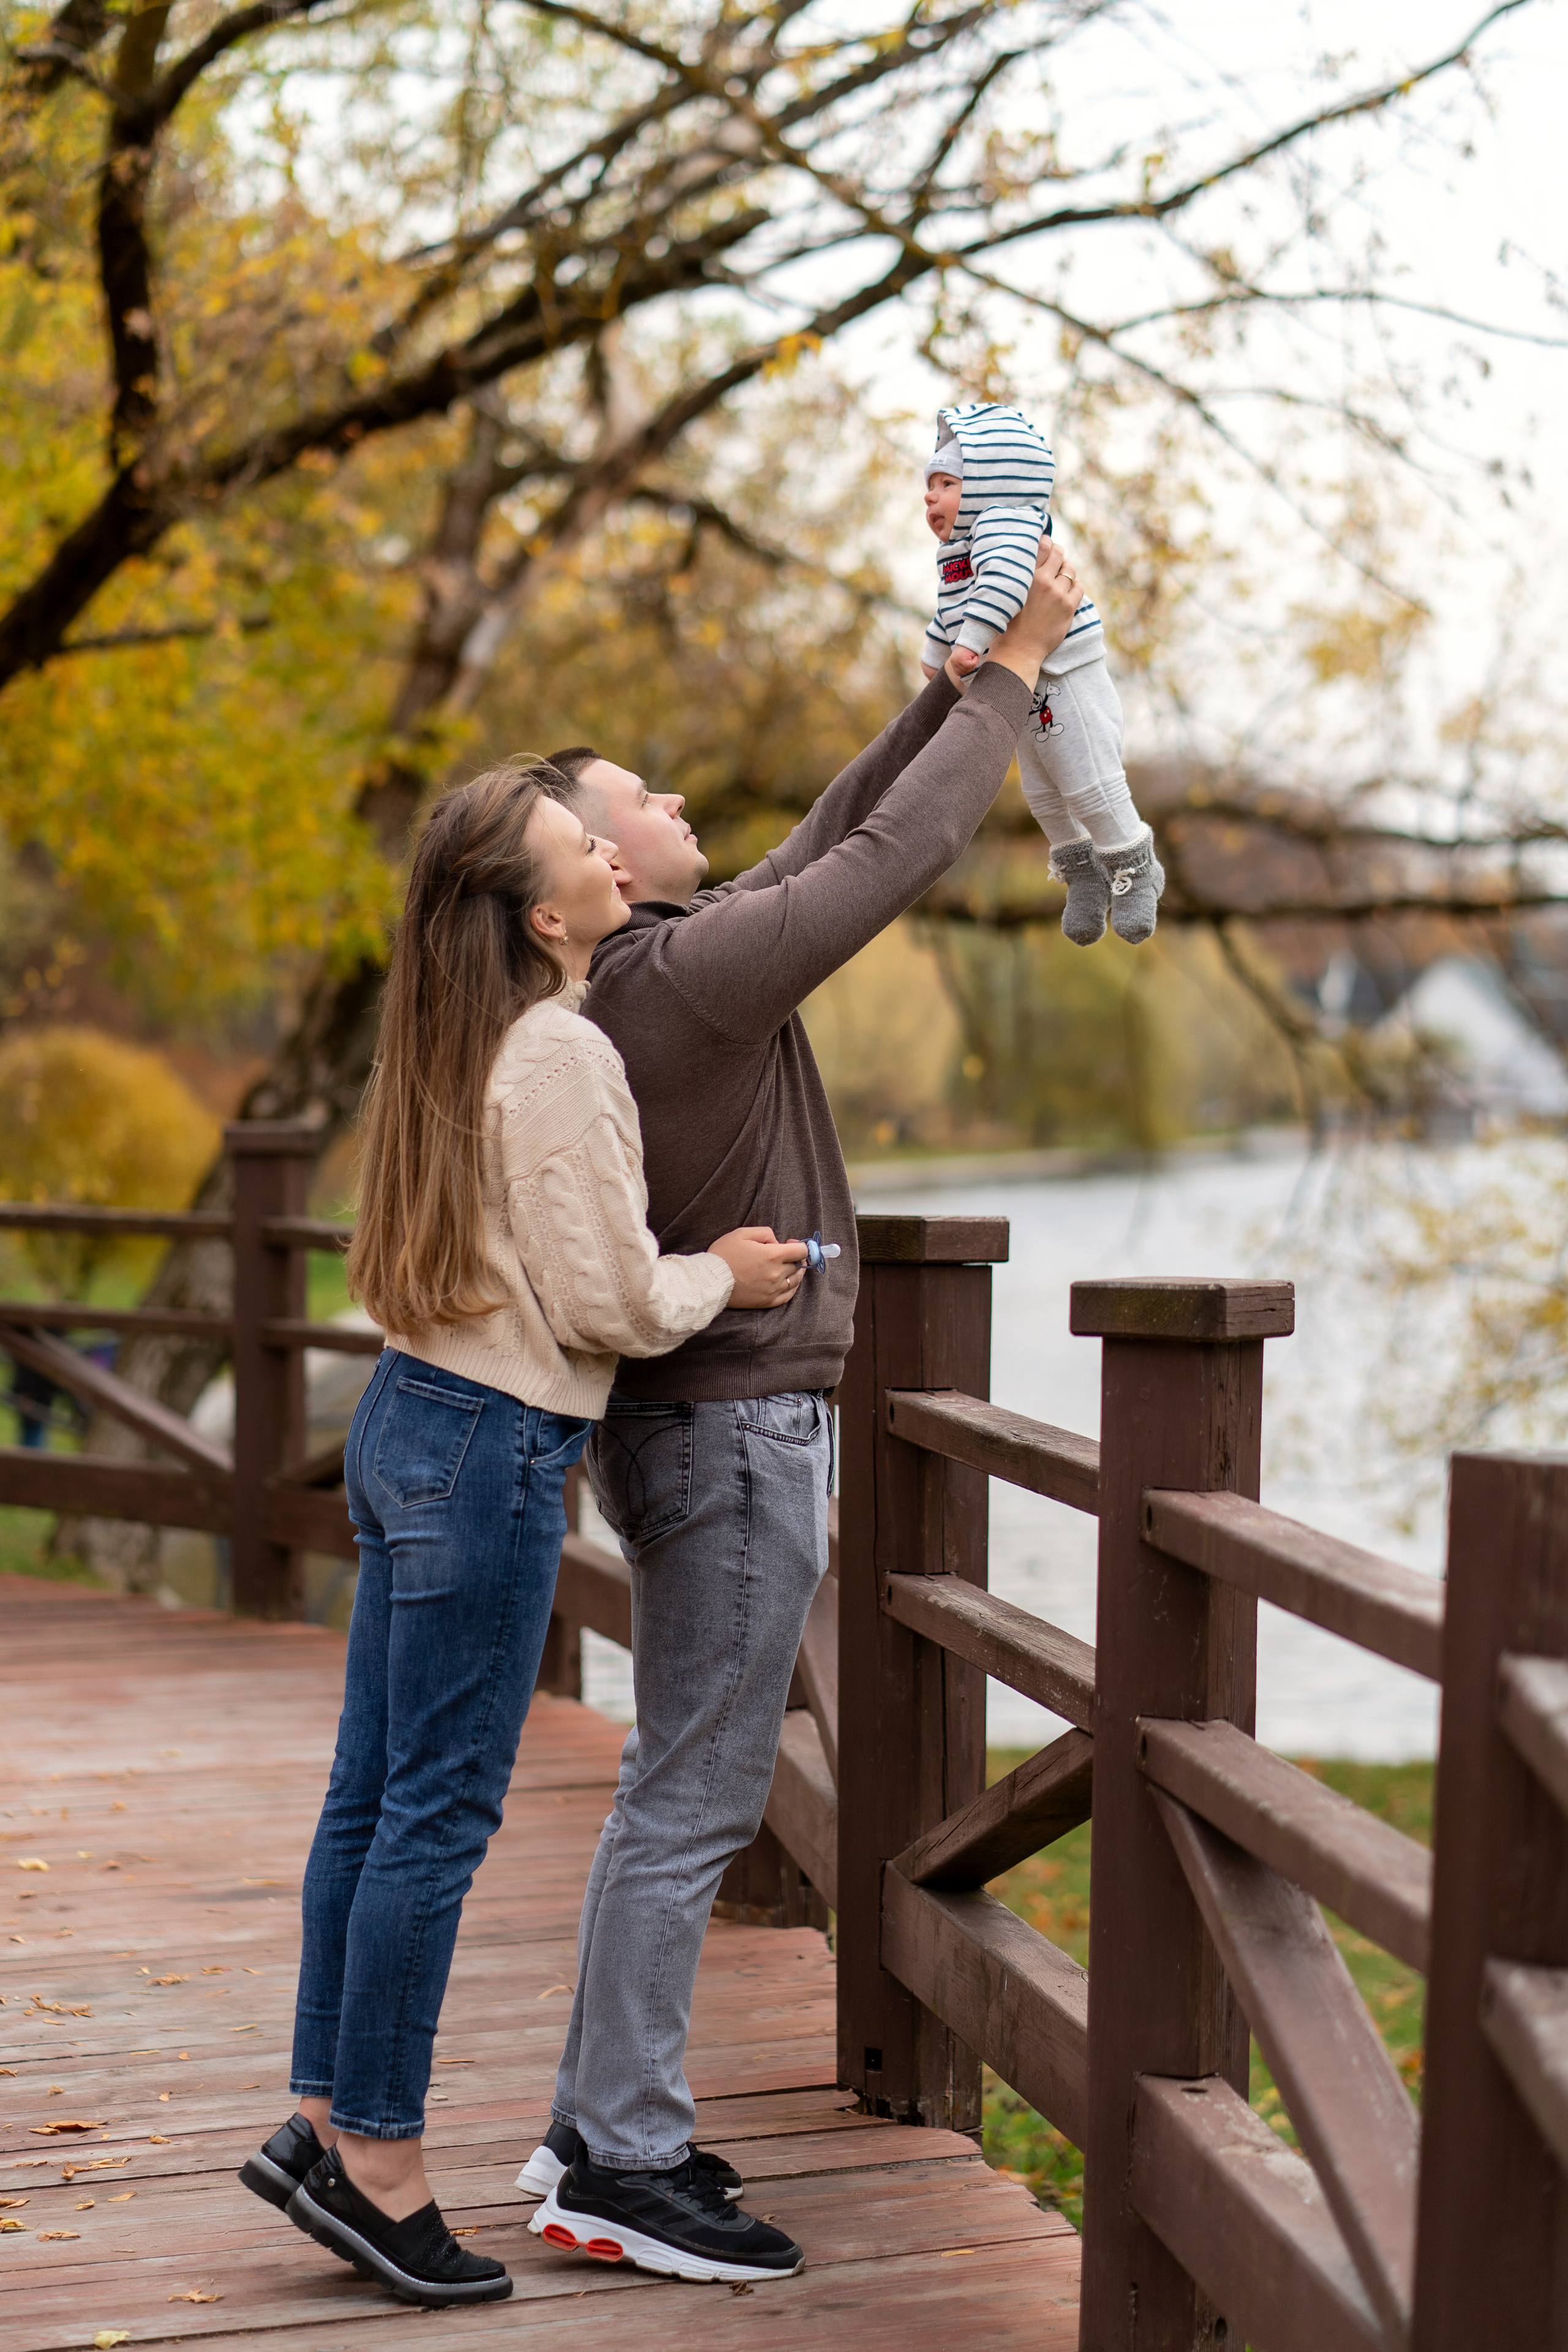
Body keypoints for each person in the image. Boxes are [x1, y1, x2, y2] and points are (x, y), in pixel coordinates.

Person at [520, 536, 1087, 2285]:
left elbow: (838, 836)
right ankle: (621, 2153)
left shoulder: (661, 963)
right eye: (648, 794)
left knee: (678, 1790)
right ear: (605, 858)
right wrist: (1019, 668)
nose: (680, 799)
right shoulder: (682, 986)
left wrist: (942, 692)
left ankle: (597, 2126)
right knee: (695, 1799)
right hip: (735, 1437)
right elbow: (895, 863)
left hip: (704, 1435)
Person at [237, 764, 807, 2310]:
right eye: (578, 848)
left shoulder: (446, 1035)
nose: (609, 853)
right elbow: (608, 1299)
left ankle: (318, 2117)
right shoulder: (554, 1049)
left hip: (409, 1416)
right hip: (486, 1442)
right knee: (430, 1816)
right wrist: (727, 1278)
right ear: (543, 913)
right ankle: (382, 2164)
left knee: (370, 1800)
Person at [919, 399, 1164, 948]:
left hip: (1063, 671)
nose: (930, 497)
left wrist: (967, 647)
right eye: (928, 486)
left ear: (989, 483)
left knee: (1089, 780)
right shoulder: (957, 552)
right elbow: (950, 609)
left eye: (946, 482)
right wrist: (937, 653)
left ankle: (1134, 864)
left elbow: (1002, 590)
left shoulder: (1005, 524)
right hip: (1022, 678)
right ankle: (1085, 877)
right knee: (1045, 794)